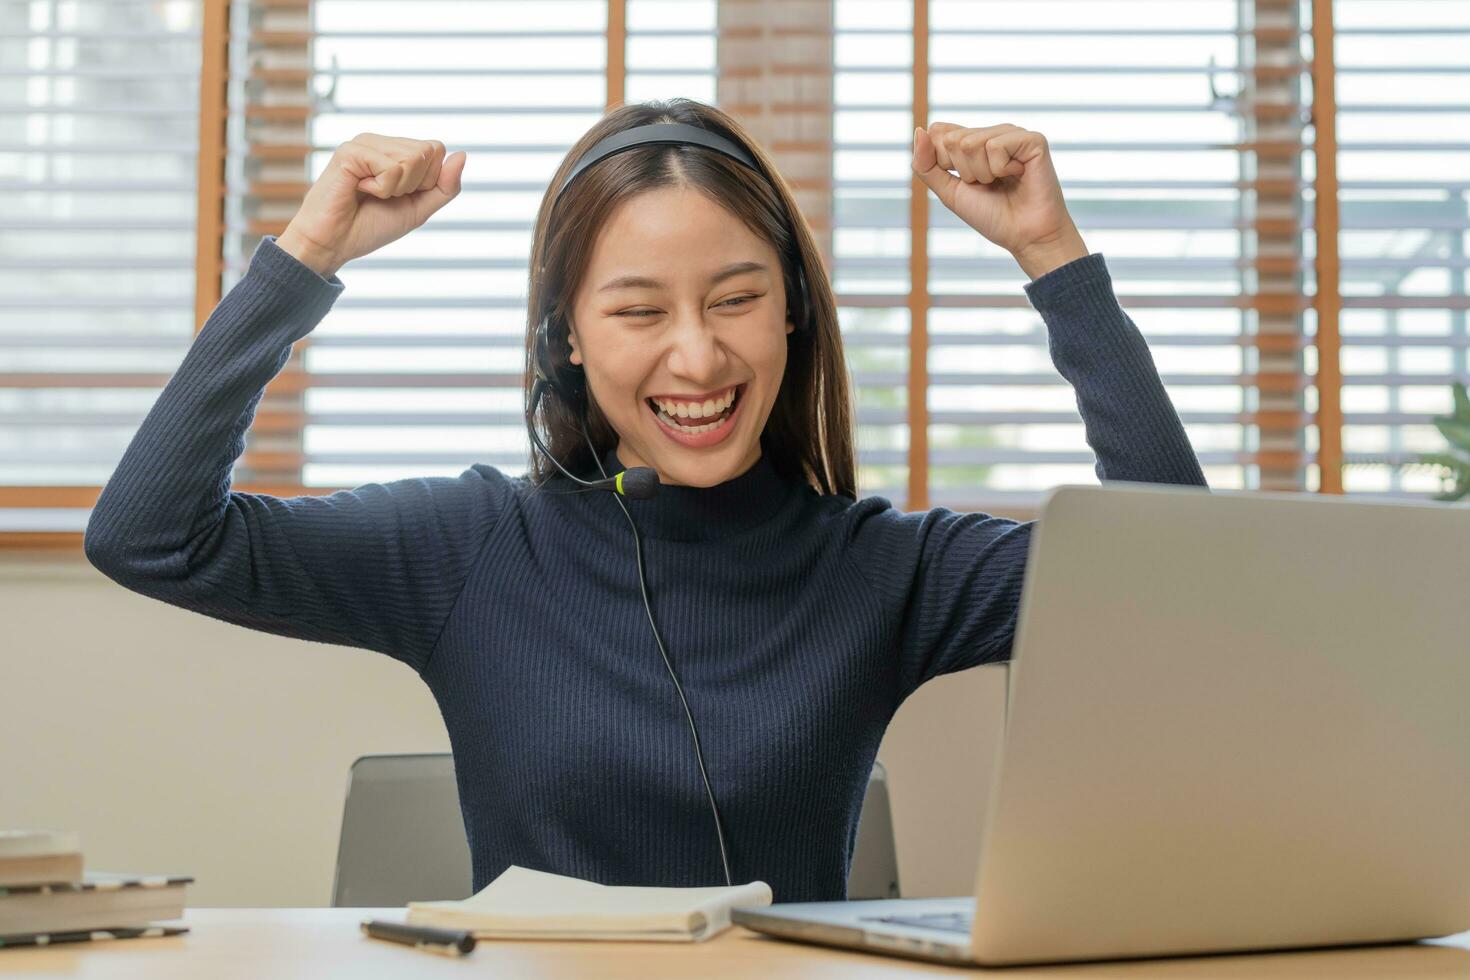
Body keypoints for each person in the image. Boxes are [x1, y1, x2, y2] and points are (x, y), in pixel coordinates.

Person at [84, 98, 1207, 903]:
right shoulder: (468, 544)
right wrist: (309, 253)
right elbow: (148, 535)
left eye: (736, 298)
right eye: (636, 310)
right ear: (565, 339)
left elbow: (1181, 577)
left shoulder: (887, 566)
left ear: (793, 315)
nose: (697, 356)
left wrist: (1052, 256)